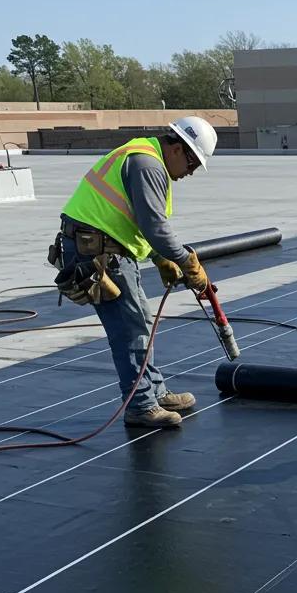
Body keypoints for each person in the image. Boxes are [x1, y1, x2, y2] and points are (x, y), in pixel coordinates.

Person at [53, 116, 217, 428]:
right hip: (99, 253)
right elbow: (155, 227)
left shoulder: (144, 155)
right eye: (192, 163)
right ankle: (140, 405)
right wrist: (186, 262)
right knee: (128, 329)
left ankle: (154, 391)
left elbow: (136, 220)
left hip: (106, 247)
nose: (190, 173)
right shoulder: (147, 165)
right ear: (177, 149)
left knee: (139, 319)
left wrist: (159, 258)